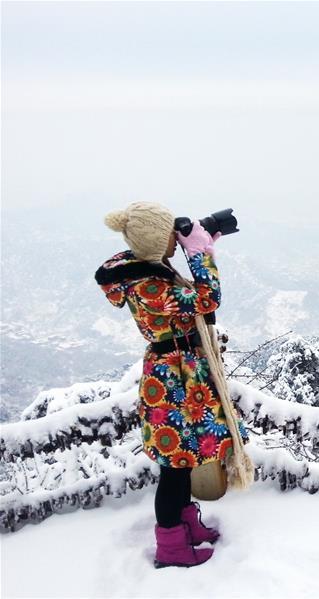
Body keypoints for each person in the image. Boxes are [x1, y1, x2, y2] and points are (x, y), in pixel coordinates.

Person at [94, 201, 248, 568]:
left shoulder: (147, 269)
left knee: (184, 458)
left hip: (182, 372)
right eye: (169, 235)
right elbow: (207, 299)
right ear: (155, 242)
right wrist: (198, 252)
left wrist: (201, 239)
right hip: (171, 378)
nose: (174, 240)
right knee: (174, 467)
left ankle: (186, 525)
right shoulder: (147, 285)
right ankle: (172, 546)